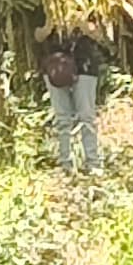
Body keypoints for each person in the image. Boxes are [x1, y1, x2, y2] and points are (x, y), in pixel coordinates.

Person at [42, 41, 105, 173]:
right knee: (62, 118)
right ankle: (66, 163)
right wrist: (49, 27)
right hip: (56, 68)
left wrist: (84, 27)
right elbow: (39, 36)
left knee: (86, 117)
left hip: (85, 68)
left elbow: (101, 37)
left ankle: (92, 163)